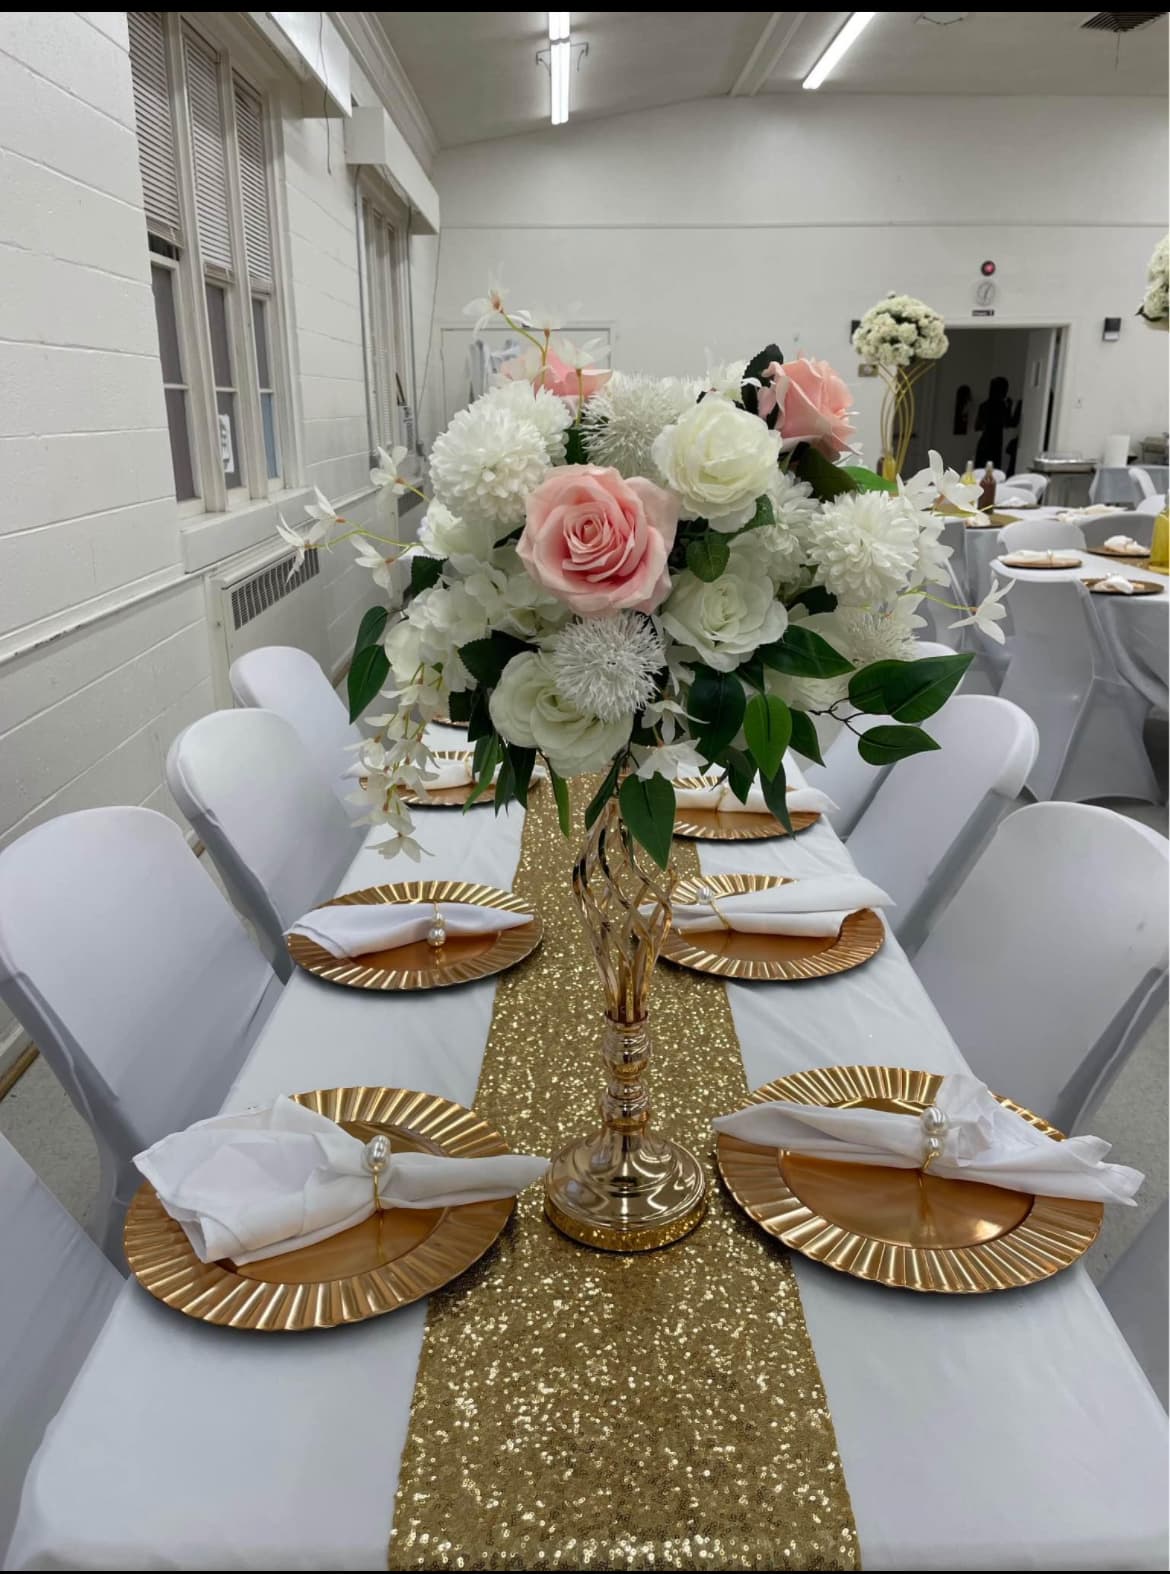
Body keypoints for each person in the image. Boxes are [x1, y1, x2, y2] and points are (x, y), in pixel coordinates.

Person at [974, 376, 1020, 470]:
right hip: (995, 442)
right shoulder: (1001, 406)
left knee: (979, 470)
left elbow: (977, 426)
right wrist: (1012, 407)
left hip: (984, 441)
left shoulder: (984, 405)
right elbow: (1010, 423)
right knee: (992, 471)